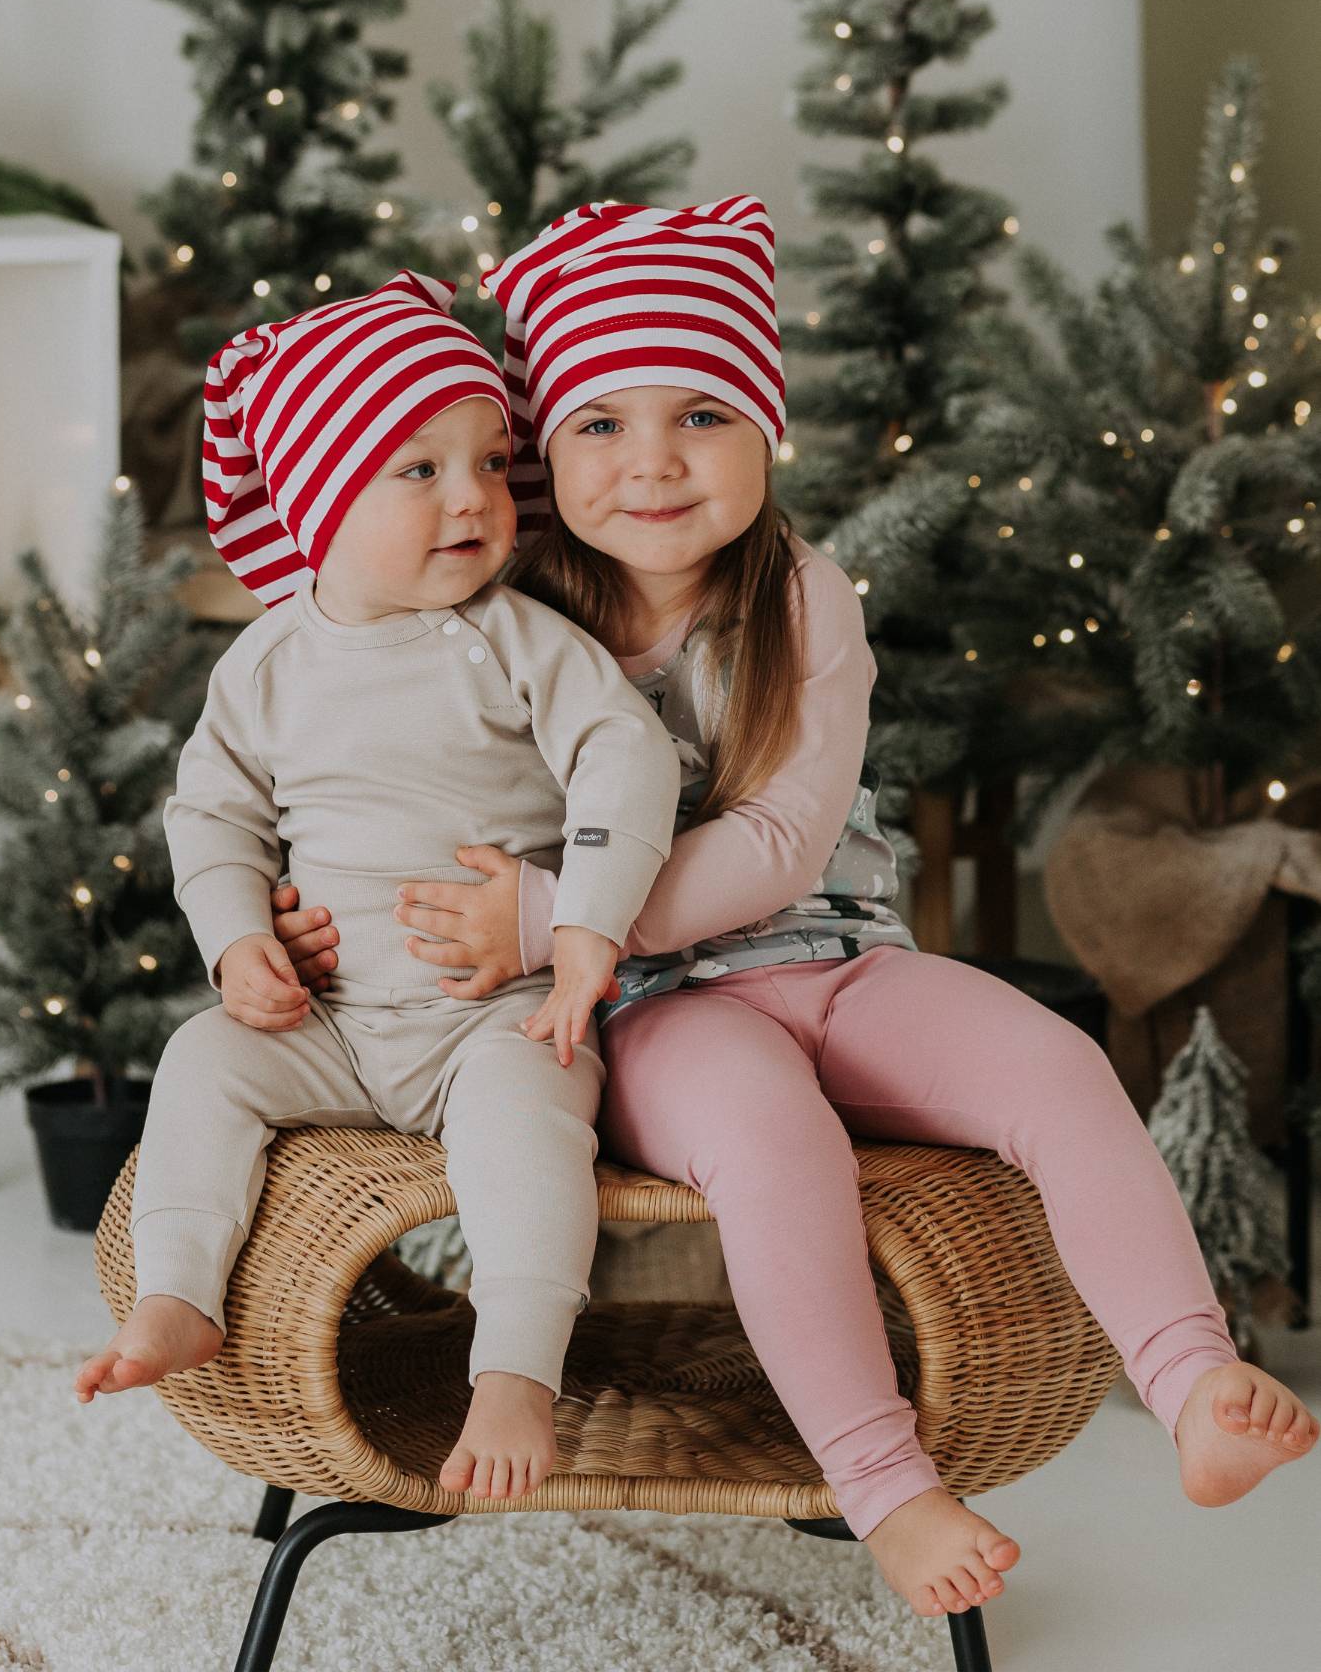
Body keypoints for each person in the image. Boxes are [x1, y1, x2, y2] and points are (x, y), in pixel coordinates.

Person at [272, 199, 1318, 1621]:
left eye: (699, 413)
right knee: (772, 1141)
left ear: (765, 431)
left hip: (832, 959)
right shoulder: (502, 616)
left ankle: (1189, 1376)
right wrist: (315, 910)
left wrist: (555, 909)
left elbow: (779, 836)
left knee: (1058, 1068)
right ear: (541, 451)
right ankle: (884, 1487)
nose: (651, 462)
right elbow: (375, 760)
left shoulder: (803, 598)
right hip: (648, 1013)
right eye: (596, 424)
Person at [73, 271, 682, 1507]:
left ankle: (515, 1364)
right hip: (333, 1023)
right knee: (199, 1061)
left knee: (530, 1118)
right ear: (316, 499)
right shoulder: (267, 664)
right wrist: (240, 937)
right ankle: (180, 1289)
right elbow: (213, 811)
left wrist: (582, 923)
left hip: (492, 1014)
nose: (475, 496)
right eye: (419, 468)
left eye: (486, 460)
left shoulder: (518, 641)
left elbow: (628, 756)